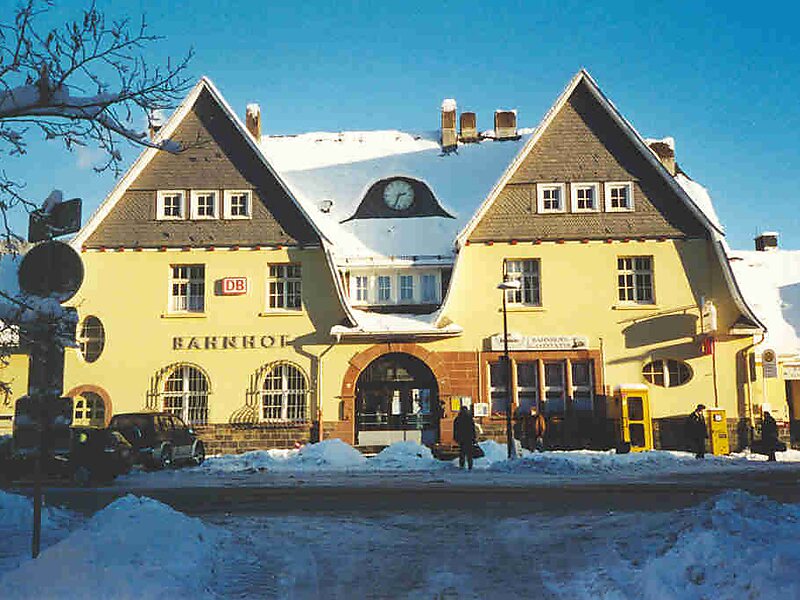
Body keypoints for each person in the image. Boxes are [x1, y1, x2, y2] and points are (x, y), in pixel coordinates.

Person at [453, 405, 477, 470]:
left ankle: (462, 465)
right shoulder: (469, 418)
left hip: (462, 438)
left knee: (462, 453)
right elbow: (472, 429)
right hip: (468, 438)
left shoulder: (458, 419)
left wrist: (455, 437)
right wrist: (474, 438)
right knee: (469, 453)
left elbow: (455, 430)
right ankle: (470, 466)